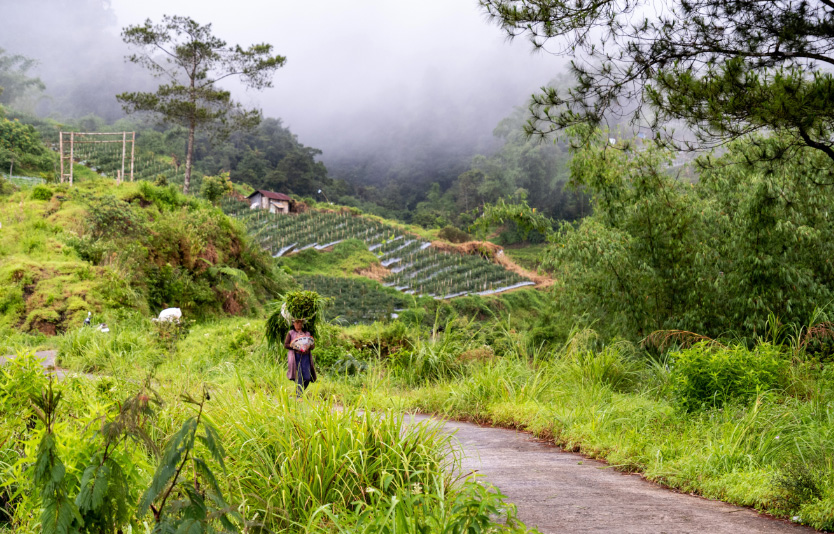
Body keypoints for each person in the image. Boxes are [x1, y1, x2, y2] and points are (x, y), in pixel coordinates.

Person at [284, 318, 317, 397]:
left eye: (300, 323)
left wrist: (308, 346)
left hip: (306, 357)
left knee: (307, 377)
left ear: (302, 324)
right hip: (296, 357)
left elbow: (312, 346)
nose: (298, 325)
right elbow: (286, 345)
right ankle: (299, 397)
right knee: (298, 377)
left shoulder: (307, 334)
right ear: (293, 324)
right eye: (296, 323)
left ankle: (298, 393)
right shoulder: (291, 333)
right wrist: (295, 346)